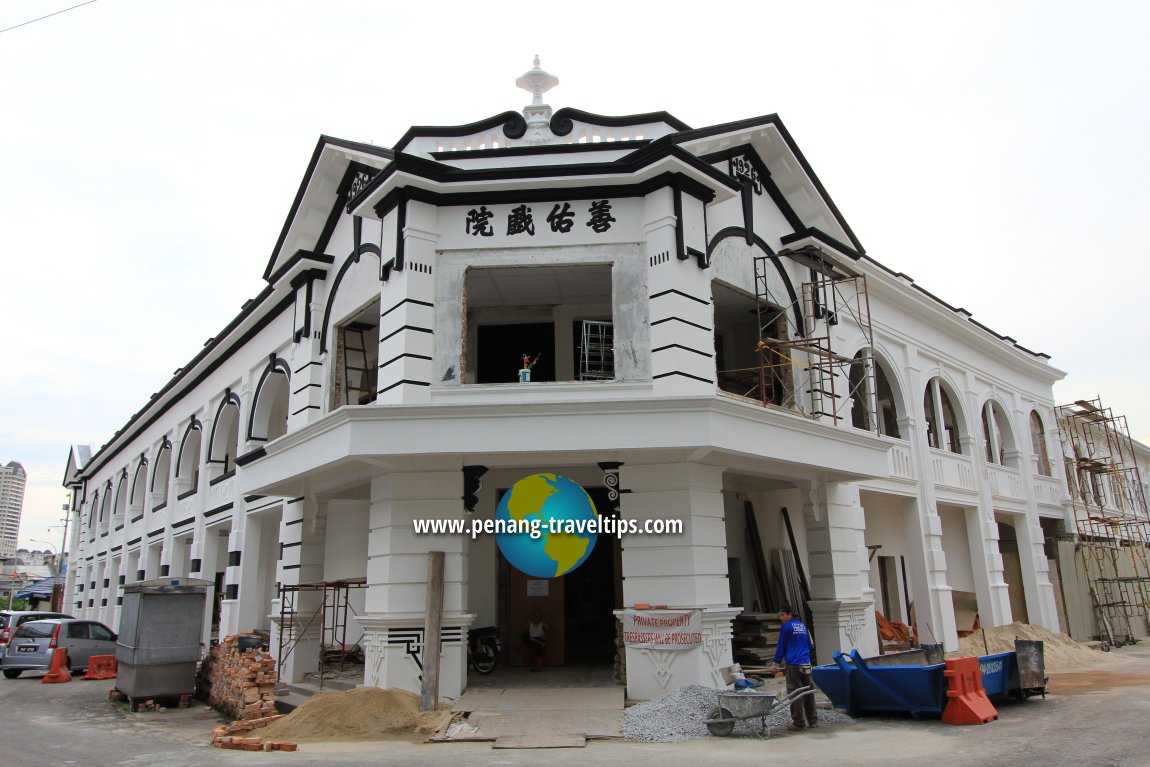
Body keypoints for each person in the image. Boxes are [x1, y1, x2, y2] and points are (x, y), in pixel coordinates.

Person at [769, 605, 817, 731]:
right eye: (780, 615)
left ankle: (799, 723)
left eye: (783, 615)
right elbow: (809, 644)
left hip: (794, 665)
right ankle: (812, 720)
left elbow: (781, 646)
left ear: (789, 615)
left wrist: (776, 663)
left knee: (795, 693)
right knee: (808, 692)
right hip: (806, 663)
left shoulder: (786, 627)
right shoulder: (802, 626)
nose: (781, 618)